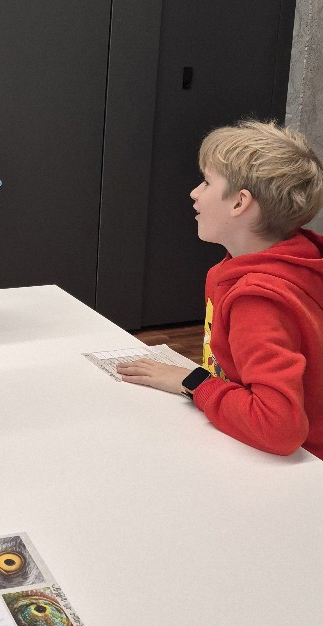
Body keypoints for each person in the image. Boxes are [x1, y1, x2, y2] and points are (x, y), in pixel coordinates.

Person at [117, 119, 323, 460]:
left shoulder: (257, 299)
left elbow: (278, 427)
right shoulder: (295, 262)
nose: (194, 193)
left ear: (239, 203)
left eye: (207, 182)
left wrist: (193, 382)